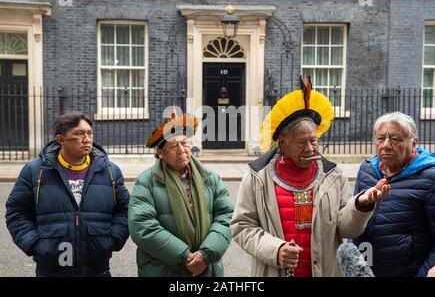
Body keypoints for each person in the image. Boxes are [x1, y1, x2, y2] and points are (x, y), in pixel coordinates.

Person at [231, 76, 389, 277]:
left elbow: (346, 229)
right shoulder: (257, 179)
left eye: (313, 140)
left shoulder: (334, 176)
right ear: (282, 143)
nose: (309, 148)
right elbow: (242, 227)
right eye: (301, 142)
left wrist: (361, 203)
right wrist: (276, 250)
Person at [5, 111, 130, 277]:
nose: (87, 139)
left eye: (89, 133)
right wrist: (36, 245)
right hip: (51, 269)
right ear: (60, 139)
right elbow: (17, 212)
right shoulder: (35, 171)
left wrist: (112, 240)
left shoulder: (109, 171)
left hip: (97, 268)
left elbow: (125, 210)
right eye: (79, 134)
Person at [128, 109, 234, 277]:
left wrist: (206, 255)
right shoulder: (147, 181)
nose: (182, 150)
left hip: (208, 268)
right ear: (160, 153)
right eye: (173, 147)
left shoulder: (210, 178)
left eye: (184, 143)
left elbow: (226, 216)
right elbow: (142, 226)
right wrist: (185, 256)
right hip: (164, 270)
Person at [353, 112, 435, 277]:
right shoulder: (367, 170)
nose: (386, 145)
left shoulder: (430, 177)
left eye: (395, 139)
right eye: (380, 138)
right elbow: (356, 224)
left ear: (414, 143)